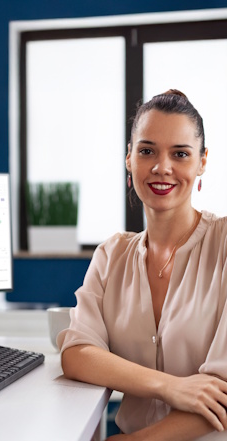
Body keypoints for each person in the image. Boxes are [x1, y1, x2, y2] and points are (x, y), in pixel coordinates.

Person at [58, 89, 227, 441]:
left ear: (202, 162)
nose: (161, 167)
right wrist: (169, 387)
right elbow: (77, 353)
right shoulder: (111, 254)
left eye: (180, 153)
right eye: (147, 150)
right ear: (129, 159)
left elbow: (222, 396)